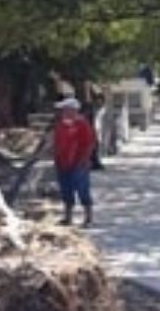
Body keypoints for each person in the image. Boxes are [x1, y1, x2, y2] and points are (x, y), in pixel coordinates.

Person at [53, 97, 97, 227]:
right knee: (66, 189)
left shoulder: (82, 124)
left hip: (79, 163)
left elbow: (89, 143)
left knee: (83, 189)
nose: (62, 112)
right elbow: (57, 143)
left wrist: (84, 160)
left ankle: (88, 218)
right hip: (63, 162)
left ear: (73, 110)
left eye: (65, 109)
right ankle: (68, 217)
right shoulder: (61, 125)